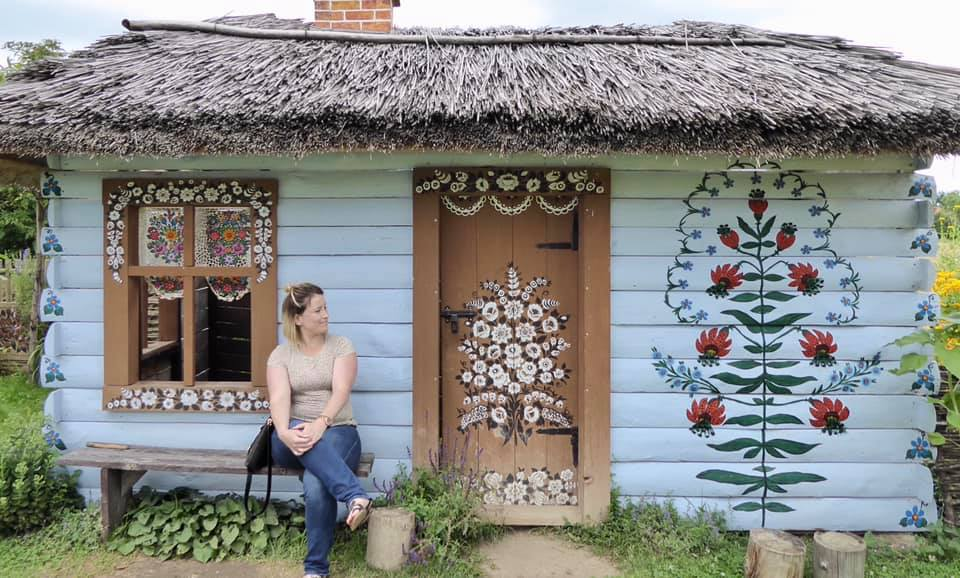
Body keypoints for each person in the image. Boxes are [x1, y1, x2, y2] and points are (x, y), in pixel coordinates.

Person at [267, 282, 372, 578]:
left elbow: (341, 391)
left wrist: (320, 423)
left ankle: (315, 570)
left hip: (338, 431)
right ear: (298, 318)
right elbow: (279, 399)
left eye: (325, 308)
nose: (326, 314)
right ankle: (355, 495)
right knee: (297, 438)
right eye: (318, 310)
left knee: (315, 483)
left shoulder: (341, 347)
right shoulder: (280, 356)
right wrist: (286, 433)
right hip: (292, 436)